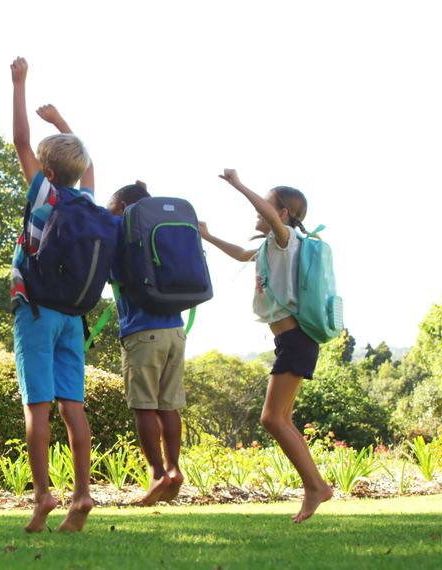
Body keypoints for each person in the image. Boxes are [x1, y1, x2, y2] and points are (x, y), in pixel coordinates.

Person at [199, 169, 334, 523]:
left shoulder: (286, 238)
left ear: (283, 215)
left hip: (295, 341)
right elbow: (243, 254)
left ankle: (316, 486)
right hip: (291, 341)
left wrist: (238, 184)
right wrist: (209, 237)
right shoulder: (272, 247)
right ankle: (315, 485)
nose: (258, 214)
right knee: (281, 418)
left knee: (271, 418)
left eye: (265, 209)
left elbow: (272, 218)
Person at [10, 56, 95, 533]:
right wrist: (63, 124)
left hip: (36, 309)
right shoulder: (87, 199)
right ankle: (81, 495)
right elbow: (88, 163)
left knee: (37, 406)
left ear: (46, 167)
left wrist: (19, 83)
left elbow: (21, 140)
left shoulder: (44, 192)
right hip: (73, 316)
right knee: (73, 408)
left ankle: (43, 496)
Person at [106, 181, 187, 505]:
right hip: (176, 331)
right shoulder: (163, 232)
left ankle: (156, 475)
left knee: (143, 406)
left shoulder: (122, 229)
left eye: (114, 210)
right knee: (169, 405)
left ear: (124, 208)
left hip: (142, 332)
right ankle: (174, 468)